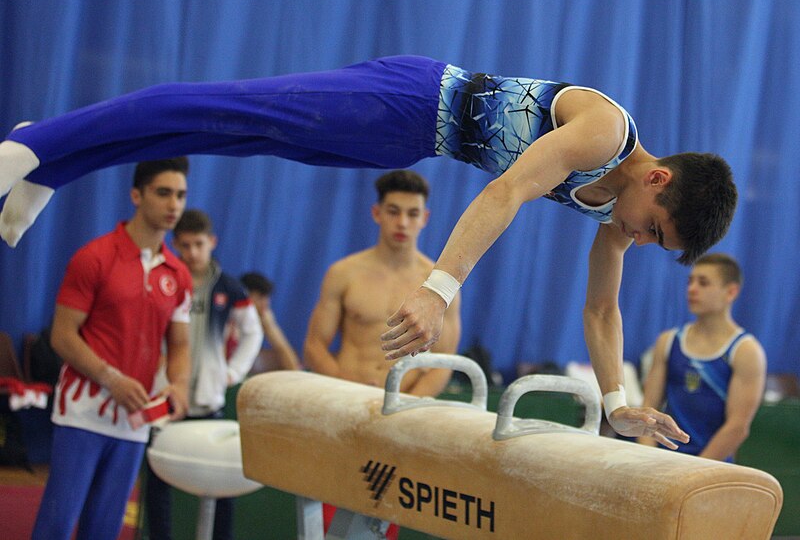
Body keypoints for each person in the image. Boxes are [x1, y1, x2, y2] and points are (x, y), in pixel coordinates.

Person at [0, 55, 738, 445]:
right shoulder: (605, 132)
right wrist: (437, 287)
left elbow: (603, 310)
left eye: (652, 242)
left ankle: (53, 163)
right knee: (218, 108)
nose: (639, 240)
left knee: (233, 135)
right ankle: (35, 143)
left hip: (408, 136)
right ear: (659, 178)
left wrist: (617, 403)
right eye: (654, 228)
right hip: (412, 98)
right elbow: (507, 192)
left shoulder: (618, 209)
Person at [32, 157, 192, 540]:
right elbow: (63, 336)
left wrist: (180, 384)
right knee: (57, 523)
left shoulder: (178, 274)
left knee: (105, 528)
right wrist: (110, 377)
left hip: (134, 417)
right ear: (136, 195)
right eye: (163, 193)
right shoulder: (94, 257)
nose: (174, 205)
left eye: (182, 196)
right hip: (83, 411)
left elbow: (181, 342)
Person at [145, 208, 264, 540]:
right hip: (167, 394)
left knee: (221, 479)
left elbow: (253, 332)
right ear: (175, 244)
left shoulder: (230, 288)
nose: (192, 253)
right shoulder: (164, 281)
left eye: (198, 244)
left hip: (209, 396)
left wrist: (233, 372)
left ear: (212, 242)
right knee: (157, 477)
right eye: (184, 245)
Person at [304, 169, 461, 395]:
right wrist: (348, 392)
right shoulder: (343, 273)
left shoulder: (438, 286)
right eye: (393, 212)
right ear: (377, 213)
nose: (403, 223)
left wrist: (405, 405)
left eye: (413, 214)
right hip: (347, 396)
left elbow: (444, 360)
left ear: (424, 218)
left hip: (404, 403)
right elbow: (314, 347)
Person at [638, 253, 766, 461]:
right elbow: (648, 410)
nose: (692, 289)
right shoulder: (668, 341)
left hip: (711, 467)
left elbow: (737, 427)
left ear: (731, 292)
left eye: (703, 283)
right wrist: (647, 459)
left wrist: (696, 472)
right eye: (690, 281)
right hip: (663, 461)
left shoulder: (746, 351)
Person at [239, 271, 303, 371]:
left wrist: (271, 327)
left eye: (267, 298)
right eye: (260, 297)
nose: (266, 303)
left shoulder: (265, 319)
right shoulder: (230, 321)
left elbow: (294, 367)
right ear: (244, 296)